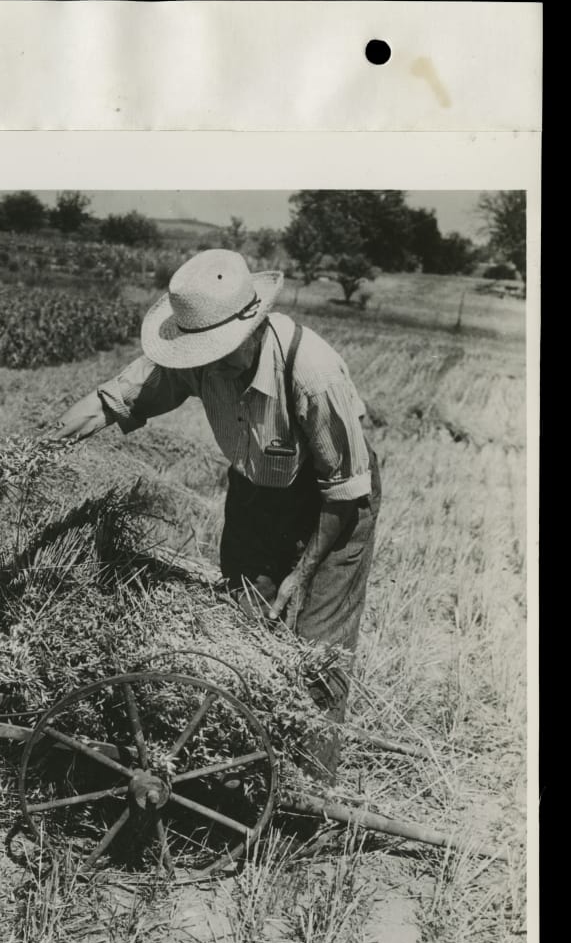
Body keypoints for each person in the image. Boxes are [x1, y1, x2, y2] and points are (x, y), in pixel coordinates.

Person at [57, 249, 381, 785]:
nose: (209, 364)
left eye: (221, 351)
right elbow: (111, 400)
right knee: (242, 621)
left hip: (334, 503)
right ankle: (241, 766)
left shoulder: (312, 372)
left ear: (252, 327)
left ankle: (307, 790)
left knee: (315, 646)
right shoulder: (197, 355)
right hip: (256, 489)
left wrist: (302, 573)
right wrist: (35, 447)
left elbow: (345, 490)